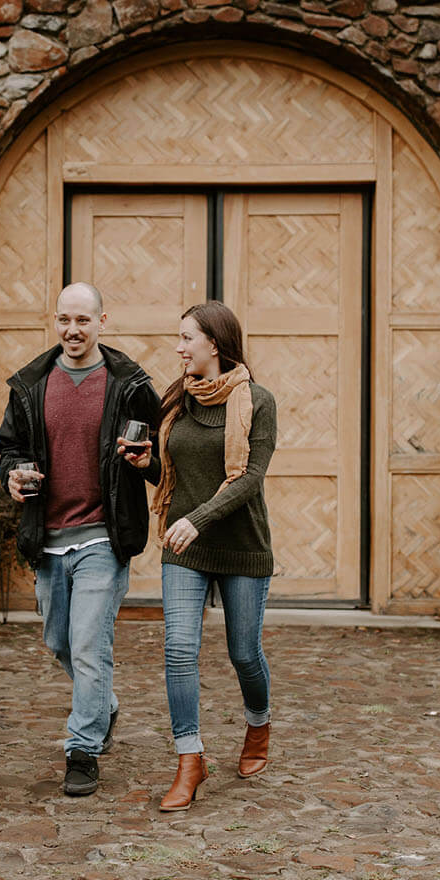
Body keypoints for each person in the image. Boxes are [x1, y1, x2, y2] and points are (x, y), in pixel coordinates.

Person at [0, 282, 161, 797]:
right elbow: (11, 450)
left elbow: (162, 457)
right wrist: (12, 476)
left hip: (103, 539)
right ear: (55, 321)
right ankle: (103, 705)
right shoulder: (30, 383)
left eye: (83, 321)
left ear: (102, 321)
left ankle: (82, 749)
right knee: (59, 640)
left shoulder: (129, 384)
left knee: (89, 645)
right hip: (48, 536)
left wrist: (147, 461)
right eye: (65, 320)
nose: (73, 330)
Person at [119, 300, 276, 811]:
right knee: (179, 650)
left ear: (214, 343)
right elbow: (175, 477)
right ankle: (191, 758)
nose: (179, 347)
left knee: (243, 653)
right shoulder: (177, 401)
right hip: (183, 546)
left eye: (187, 338)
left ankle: (258, 723)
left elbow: (248, 479)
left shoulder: (258, 401)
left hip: (239, 545)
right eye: (180, 338)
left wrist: (197, 519)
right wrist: (148, 466)